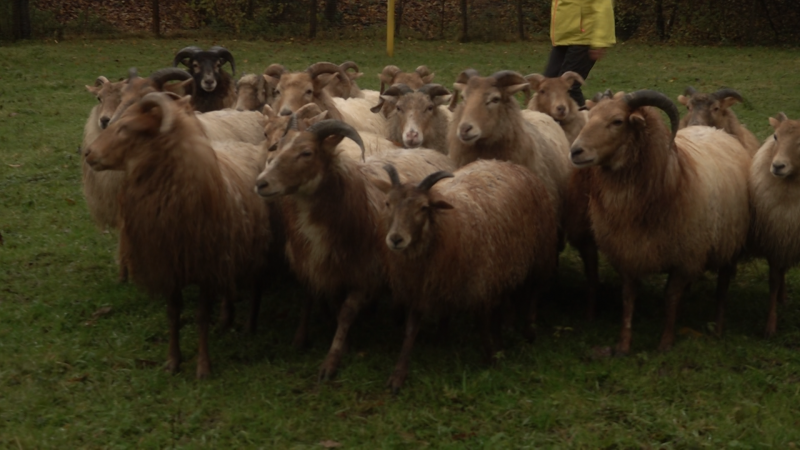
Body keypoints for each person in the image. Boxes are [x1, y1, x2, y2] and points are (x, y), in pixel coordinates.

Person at [543, 0, 616, 108]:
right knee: (548, 85)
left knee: (569, 88)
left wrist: (599, 42)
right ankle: (551, 123)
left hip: (584, 39)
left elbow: (604, 7)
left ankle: (584, 122)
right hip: (563, 38)